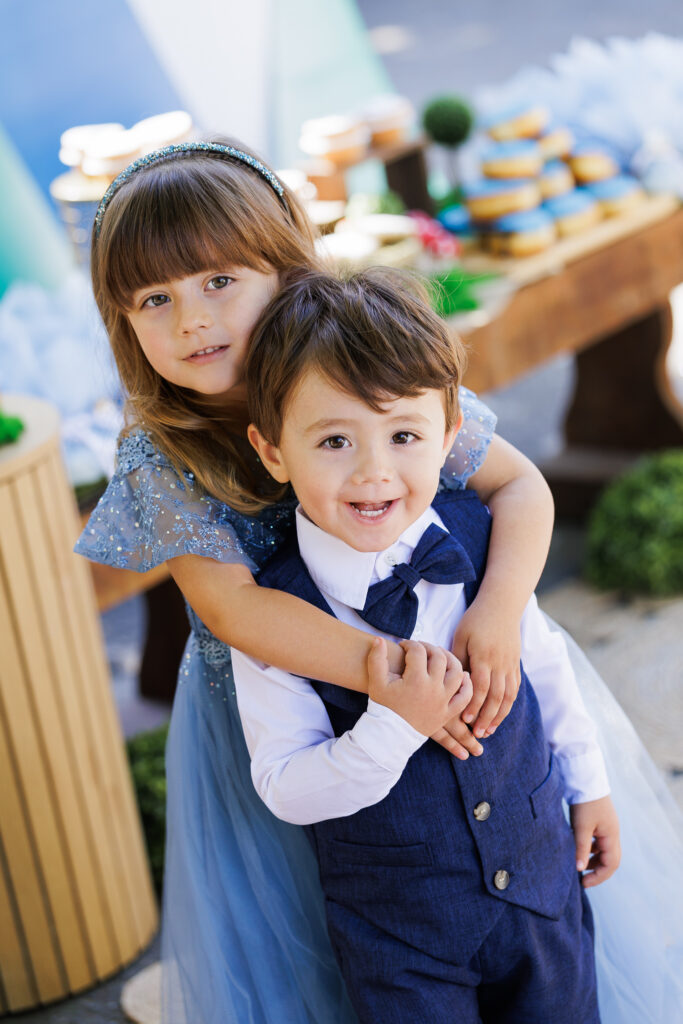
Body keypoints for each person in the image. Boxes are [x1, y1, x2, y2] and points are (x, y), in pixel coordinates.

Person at [76, 139, 563, 1024]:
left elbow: (519, 486)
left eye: (219, 279)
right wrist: (393, 677)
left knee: (498, 870)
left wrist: (495, 614)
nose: (192, 320)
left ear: (287, 265)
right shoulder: (164, 453)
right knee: (329, 917)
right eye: (155, 299)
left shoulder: (364, 369)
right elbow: (235, 608)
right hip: (287, 698)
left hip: (452, 644)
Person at [235, 267, 683, 1024]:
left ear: (449, 437)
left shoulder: (482, 543)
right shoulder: (274, 618)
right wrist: (392, 724)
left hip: (542, 887)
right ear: (273, 451)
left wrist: (589, 785)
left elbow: (544, 664)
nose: (374, 471)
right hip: (400, 941)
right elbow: (286, 785)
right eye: (335, 440)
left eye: (404, 436)